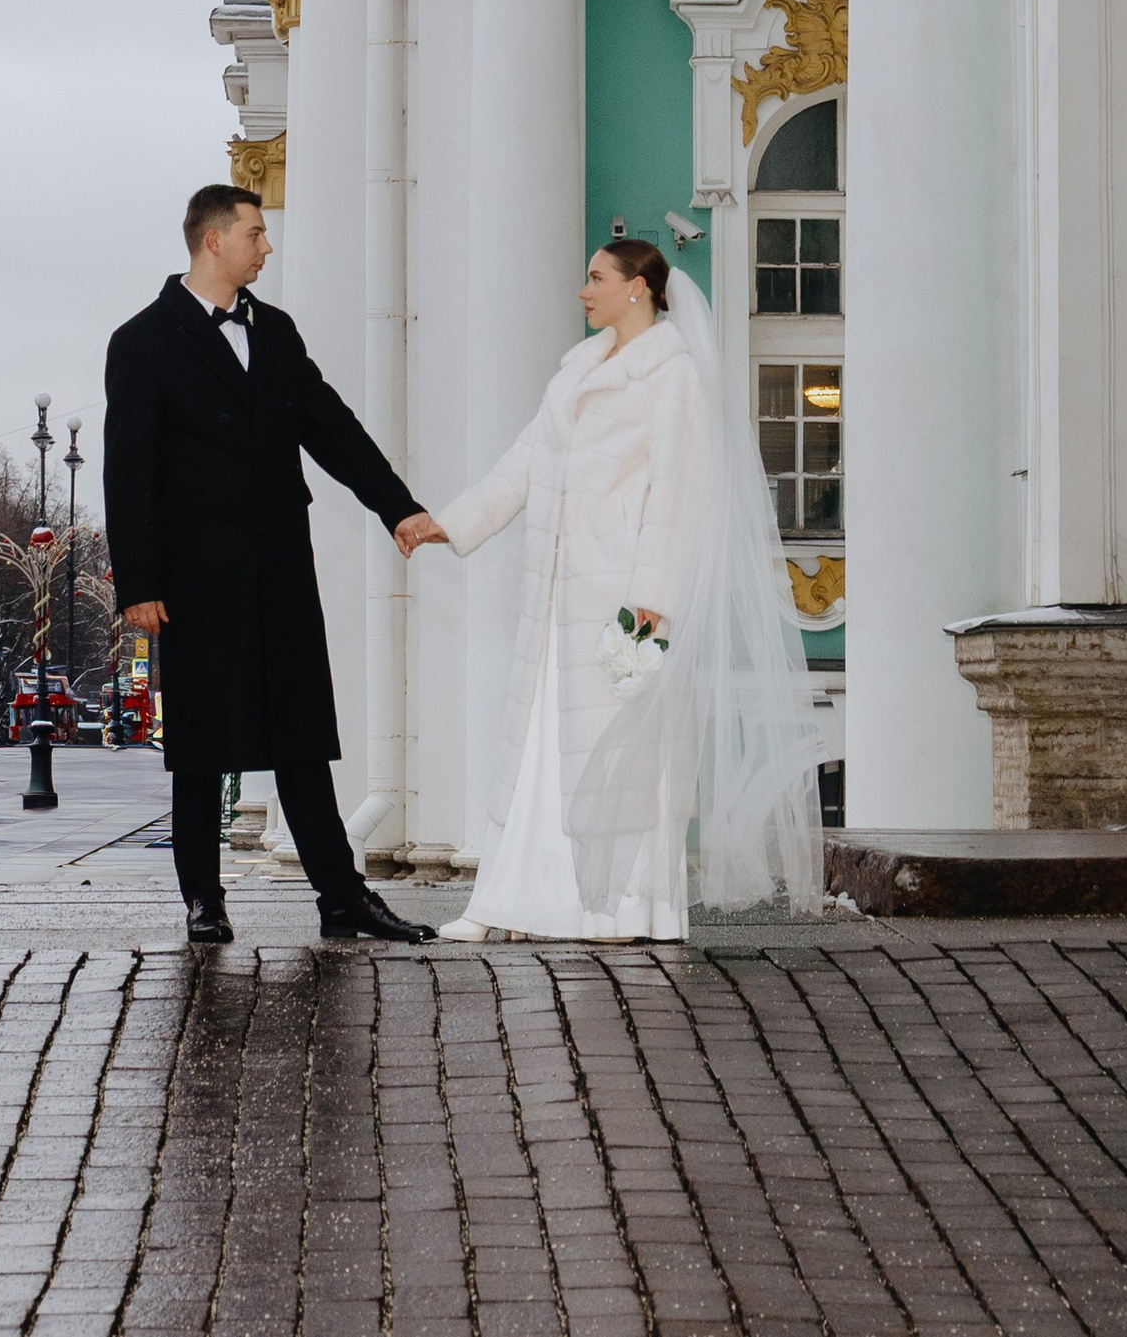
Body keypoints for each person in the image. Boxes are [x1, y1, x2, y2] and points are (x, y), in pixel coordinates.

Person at [406, 238, 823, 943]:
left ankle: (620, 906)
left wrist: (651, 596)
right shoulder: (576, 369)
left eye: (596, 277)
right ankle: (509, 899)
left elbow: (678, 489)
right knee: (538, 744)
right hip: (557, 598)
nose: (583, 290)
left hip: (621, 596)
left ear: (638, 287)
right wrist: (450, 521)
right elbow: (525, 461)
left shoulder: (674, 375)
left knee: (624, 758)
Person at [104, 182, 440, 946]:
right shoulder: (143, 339)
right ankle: (203, 899)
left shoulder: (277, 332)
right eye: (256, 232)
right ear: (214, 239)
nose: (268, 244)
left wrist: (398, 506)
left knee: (300, 733)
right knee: (199, 741)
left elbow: (332, 427)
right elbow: (128, 472)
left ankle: (341, 897)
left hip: (281, 562)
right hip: (193, 577)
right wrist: (140, 583)